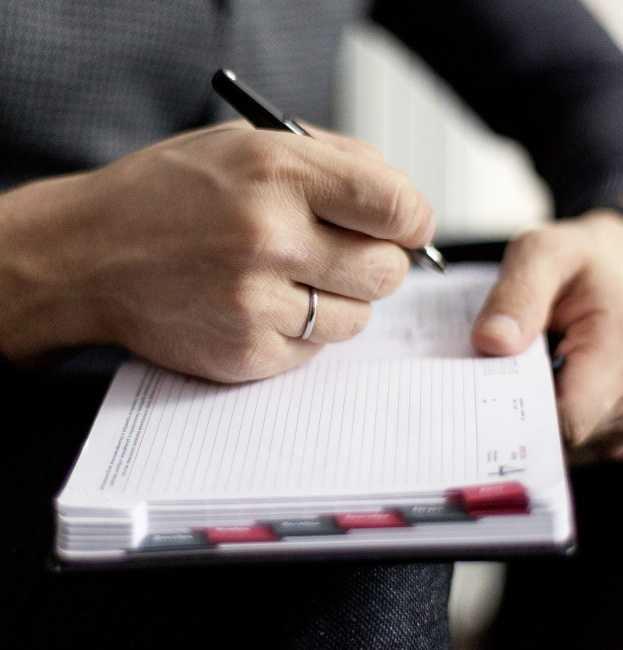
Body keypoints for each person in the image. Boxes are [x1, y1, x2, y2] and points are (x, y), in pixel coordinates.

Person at [1, 1, 622, 648]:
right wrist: (67, 252)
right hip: (32, 378)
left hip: (301, 322)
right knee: (348, 572)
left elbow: (574, 70)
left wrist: (614, 222)